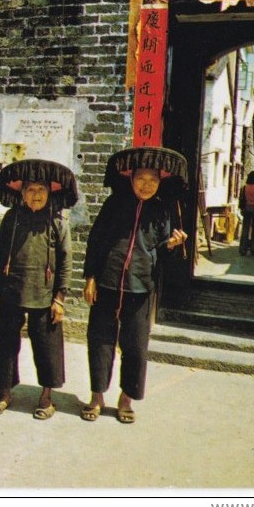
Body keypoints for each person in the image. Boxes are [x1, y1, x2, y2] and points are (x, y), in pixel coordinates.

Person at [81, 147, 188, 424]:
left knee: (137, 346)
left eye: (153, 180)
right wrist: (90, 277)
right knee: (100, 341)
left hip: (141, 285)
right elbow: (95, 240)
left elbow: (163, 252)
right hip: (107, 281)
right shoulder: (114, 204)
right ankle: (97, 396)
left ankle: (126, 398)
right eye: (141, 178)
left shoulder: (163, 210)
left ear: (159, 182)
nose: (146, 185)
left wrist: (173, 246)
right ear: (132, 178)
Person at [0, 159, 77, 420]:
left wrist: (60, 298)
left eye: (41, 191)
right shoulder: (12, 218)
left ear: (49, 193)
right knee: (5, 344)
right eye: (30, 190)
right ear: (22, 193)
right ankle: (4, 392)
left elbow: (66, 261)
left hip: (45, 294)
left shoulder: (57, 222)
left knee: (47, 347)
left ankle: (47, 395)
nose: (36, 195)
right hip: (12, 290)